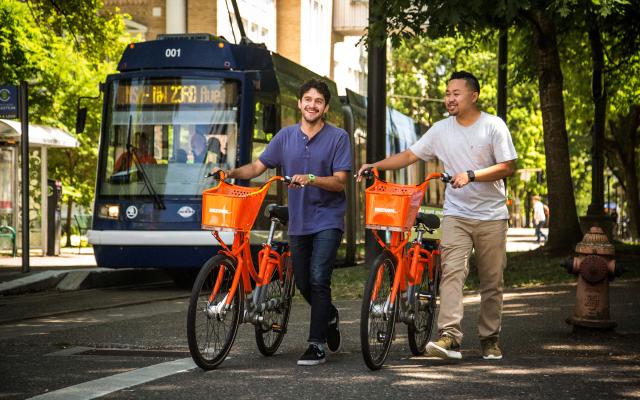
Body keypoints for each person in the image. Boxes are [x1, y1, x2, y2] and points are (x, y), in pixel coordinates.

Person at [357, 71, 517, 361]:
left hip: (492, 215)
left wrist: (471, 175)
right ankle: (450, 336)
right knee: (452, 274)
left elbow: (508, 166)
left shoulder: (493, 126)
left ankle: (489, 338)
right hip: (456, 213)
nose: (450, 98)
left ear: (474, 96)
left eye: (456, 93)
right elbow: (409, 155)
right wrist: (375, 165)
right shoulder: (441, 129)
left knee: (492, 280)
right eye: (447, 93)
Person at [211, 79, 351, 366]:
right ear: (300, 103)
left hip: (328, 219)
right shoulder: (285, 137)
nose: (312, 105)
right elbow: (258, 166)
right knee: (302, 282)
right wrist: (229, 172)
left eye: (318, 101)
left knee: (318, 276)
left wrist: (311, 178)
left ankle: (316, 344)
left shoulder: (338, 137)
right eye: (308, 99)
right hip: (299, 222)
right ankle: (330, 315)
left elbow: (340, 182)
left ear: (324, 108)